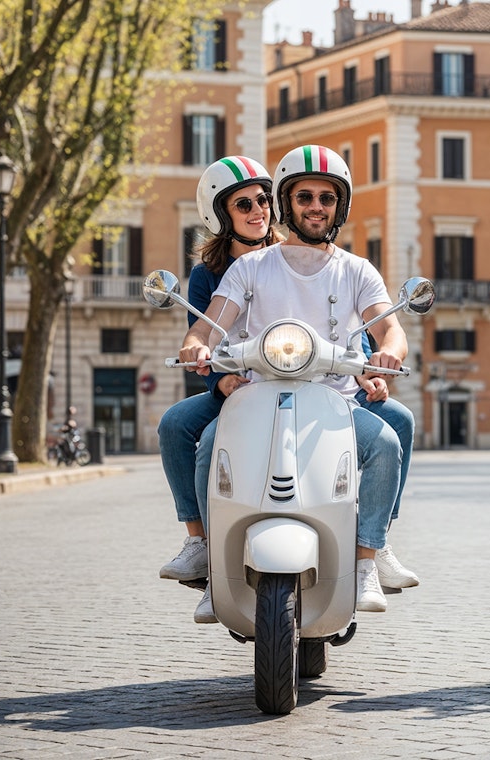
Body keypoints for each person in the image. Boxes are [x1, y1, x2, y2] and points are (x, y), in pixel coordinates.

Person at [183, 144, 415, 618]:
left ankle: (368, 557)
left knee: (389, 441)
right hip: (259, 397)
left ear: (339, 207)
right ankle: (213, 571)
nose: (315, 207)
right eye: (304, 196)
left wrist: (390, 349)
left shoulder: (357, 270)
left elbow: (388, 326)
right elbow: (209, 323)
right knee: (208, 445)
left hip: (336, 401)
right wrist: (197, 343)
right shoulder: (249, 267)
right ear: (287, 203)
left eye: (327, 198)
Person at [156, 155, 282, 623]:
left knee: (212, 442)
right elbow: (200, 332)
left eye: (264, 200)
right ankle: (202, 549)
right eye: (244, 203)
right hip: (232, 388)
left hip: (295, 382)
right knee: (177, 426)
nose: (258, 210)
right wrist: (215, 374)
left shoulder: (291, 257)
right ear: (220, 214)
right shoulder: (207, 274)